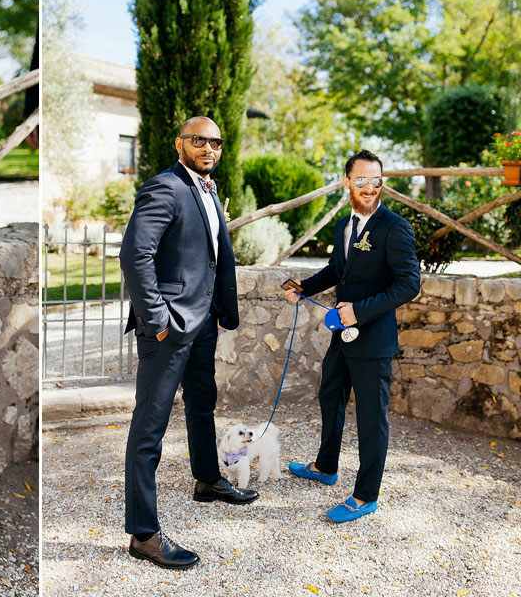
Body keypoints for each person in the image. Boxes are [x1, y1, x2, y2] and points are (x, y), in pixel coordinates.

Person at [119, 116, 256, 570]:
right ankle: (143, 533)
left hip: (203, 324)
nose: (209, 148)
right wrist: (158, 320)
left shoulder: (207, 190)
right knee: (149, 429)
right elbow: (134, 254)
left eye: (216, 142)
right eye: (199, 140)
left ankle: (208, 480)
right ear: (180, 143)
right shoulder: (165, 187)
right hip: (170, 328)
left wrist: (215, 313)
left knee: (202, 404)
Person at [283, 149, 420, 523]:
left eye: (376, 181)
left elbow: (409, 285)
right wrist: (304, 286)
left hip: (373, 341)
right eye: (361, 180)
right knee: (330, 395)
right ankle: (326, 466)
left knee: (371, 418)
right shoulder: (344, 226)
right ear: (347, 182)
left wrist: (359, 311)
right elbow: (337, 270)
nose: (370, 188)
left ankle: (365, 495)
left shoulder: (395, 228)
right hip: (341, 337)